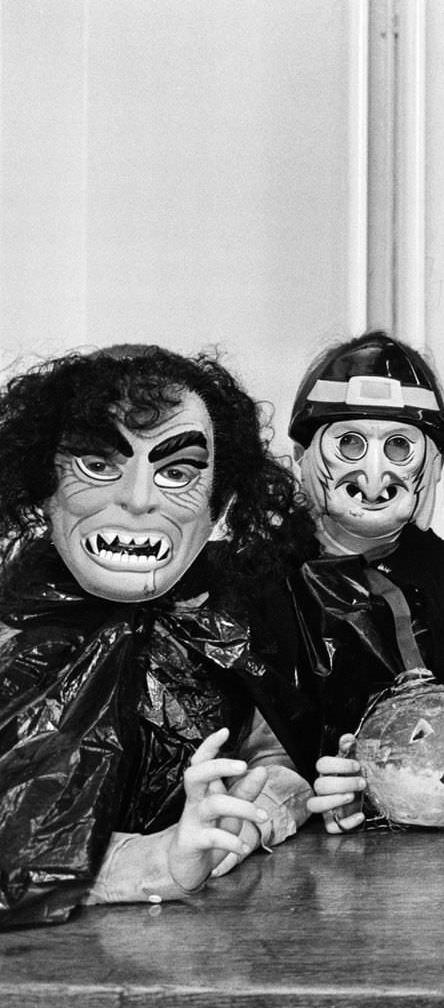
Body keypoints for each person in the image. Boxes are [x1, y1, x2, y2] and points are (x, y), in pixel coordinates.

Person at [0, 345, 318, 923]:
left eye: (176, 473)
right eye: (98, 464)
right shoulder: (8, 631)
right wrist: (146, 863)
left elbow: (273, 756)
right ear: (42, 484)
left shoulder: (223, 615)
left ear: (217, 504)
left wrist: (252, 811)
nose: (139, 498)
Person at [282, 331, 444, 831]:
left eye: (398, 446)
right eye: (348, 442)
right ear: (305, 453)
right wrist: (302, 795)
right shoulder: (263, 576)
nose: (373, 471)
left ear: (431, 462)